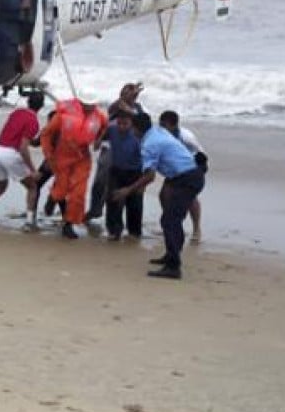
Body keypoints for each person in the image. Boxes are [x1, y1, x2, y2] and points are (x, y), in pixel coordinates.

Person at [112, 112, 204, 279]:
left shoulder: (149, 144)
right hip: (184, 174)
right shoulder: (156, 131)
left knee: (170, 221)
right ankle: (171, 255)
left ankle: (174, 267)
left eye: (132, 128)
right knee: (171, 218)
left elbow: (150, 176)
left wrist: (128, 190)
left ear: (136, 129)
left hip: (187, 178)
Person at [40, 91, 108, 239]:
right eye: (86, 104)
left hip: (82, 157)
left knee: (78, 193)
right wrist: (49, 156)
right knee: (61, 190)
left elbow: (105, 129)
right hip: (62, 155)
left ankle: (69, 224)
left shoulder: (100, 117)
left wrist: (99, 140)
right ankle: (52, 198)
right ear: (80, 102)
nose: (89, 107)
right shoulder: (63, 115)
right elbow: (46, 134)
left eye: (92, 104)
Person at [0, 93, 45, 231]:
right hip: (11, 154)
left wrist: (35, 141)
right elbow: (23, 148)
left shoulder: (16, 113)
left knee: (0, 187)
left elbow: (16, 135)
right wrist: (33, 170)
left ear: (28, 102)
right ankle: (29, 223)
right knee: (32, 186)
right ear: (41, 106)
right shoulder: (34, 121)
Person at [160, 111, 207, 243]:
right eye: (160, 125)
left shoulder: (186, 137)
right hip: (175, 168)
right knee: (164, 195)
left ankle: (196, 229)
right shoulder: (162, 136)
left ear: (174, 125)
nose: (161, 128)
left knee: (190, 198)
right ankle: (173, 224)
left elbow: (201, 155)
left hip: (193, 166)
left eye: (164, 125)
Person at [101, 111, 144, 241]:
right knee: (113, 200)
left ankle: (134, 232)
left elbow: (146, 159)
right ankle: (114, 231)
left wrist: (143, 183)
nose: (121, 126)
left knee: (134, 203)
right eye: (119, 123)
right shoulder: (112, 129)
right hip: (116, 170)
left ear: (131, 124)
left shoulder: (138, 136)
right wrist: (98, 141)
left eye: (125, 124)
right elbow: (101, 133)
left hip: (135, 172)